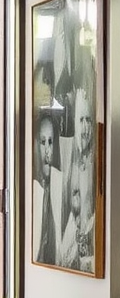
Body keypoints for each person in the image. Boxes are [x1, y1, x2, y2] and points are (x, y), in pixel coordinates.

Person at [62, 86, 95, 271]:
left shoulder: (95, 163)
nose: (85, 127)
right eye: (81, 120)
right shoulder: (71, 163)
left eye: (88, 120)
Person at [32, 113, 63, 266]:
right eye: (43, 142)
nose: (47, 151)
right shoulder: (32, 189)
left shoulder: (59, 185)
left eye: (51, 142)